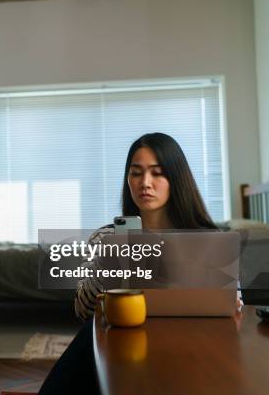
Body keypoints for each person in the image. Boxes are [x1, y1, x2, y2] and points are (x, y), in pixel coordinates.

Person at [39, 132, 217, 394]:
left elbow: (232, 304)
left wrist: (231, 301)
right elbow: (83, 310)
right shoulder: (106, 237)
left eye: (157, 173)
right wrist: (108, 265)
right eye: (136, 173)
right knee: (91, 335)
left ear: (176, 179)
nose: (145, 183)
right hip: (122, 338)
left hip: (184, 339)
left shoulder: (207, 239)